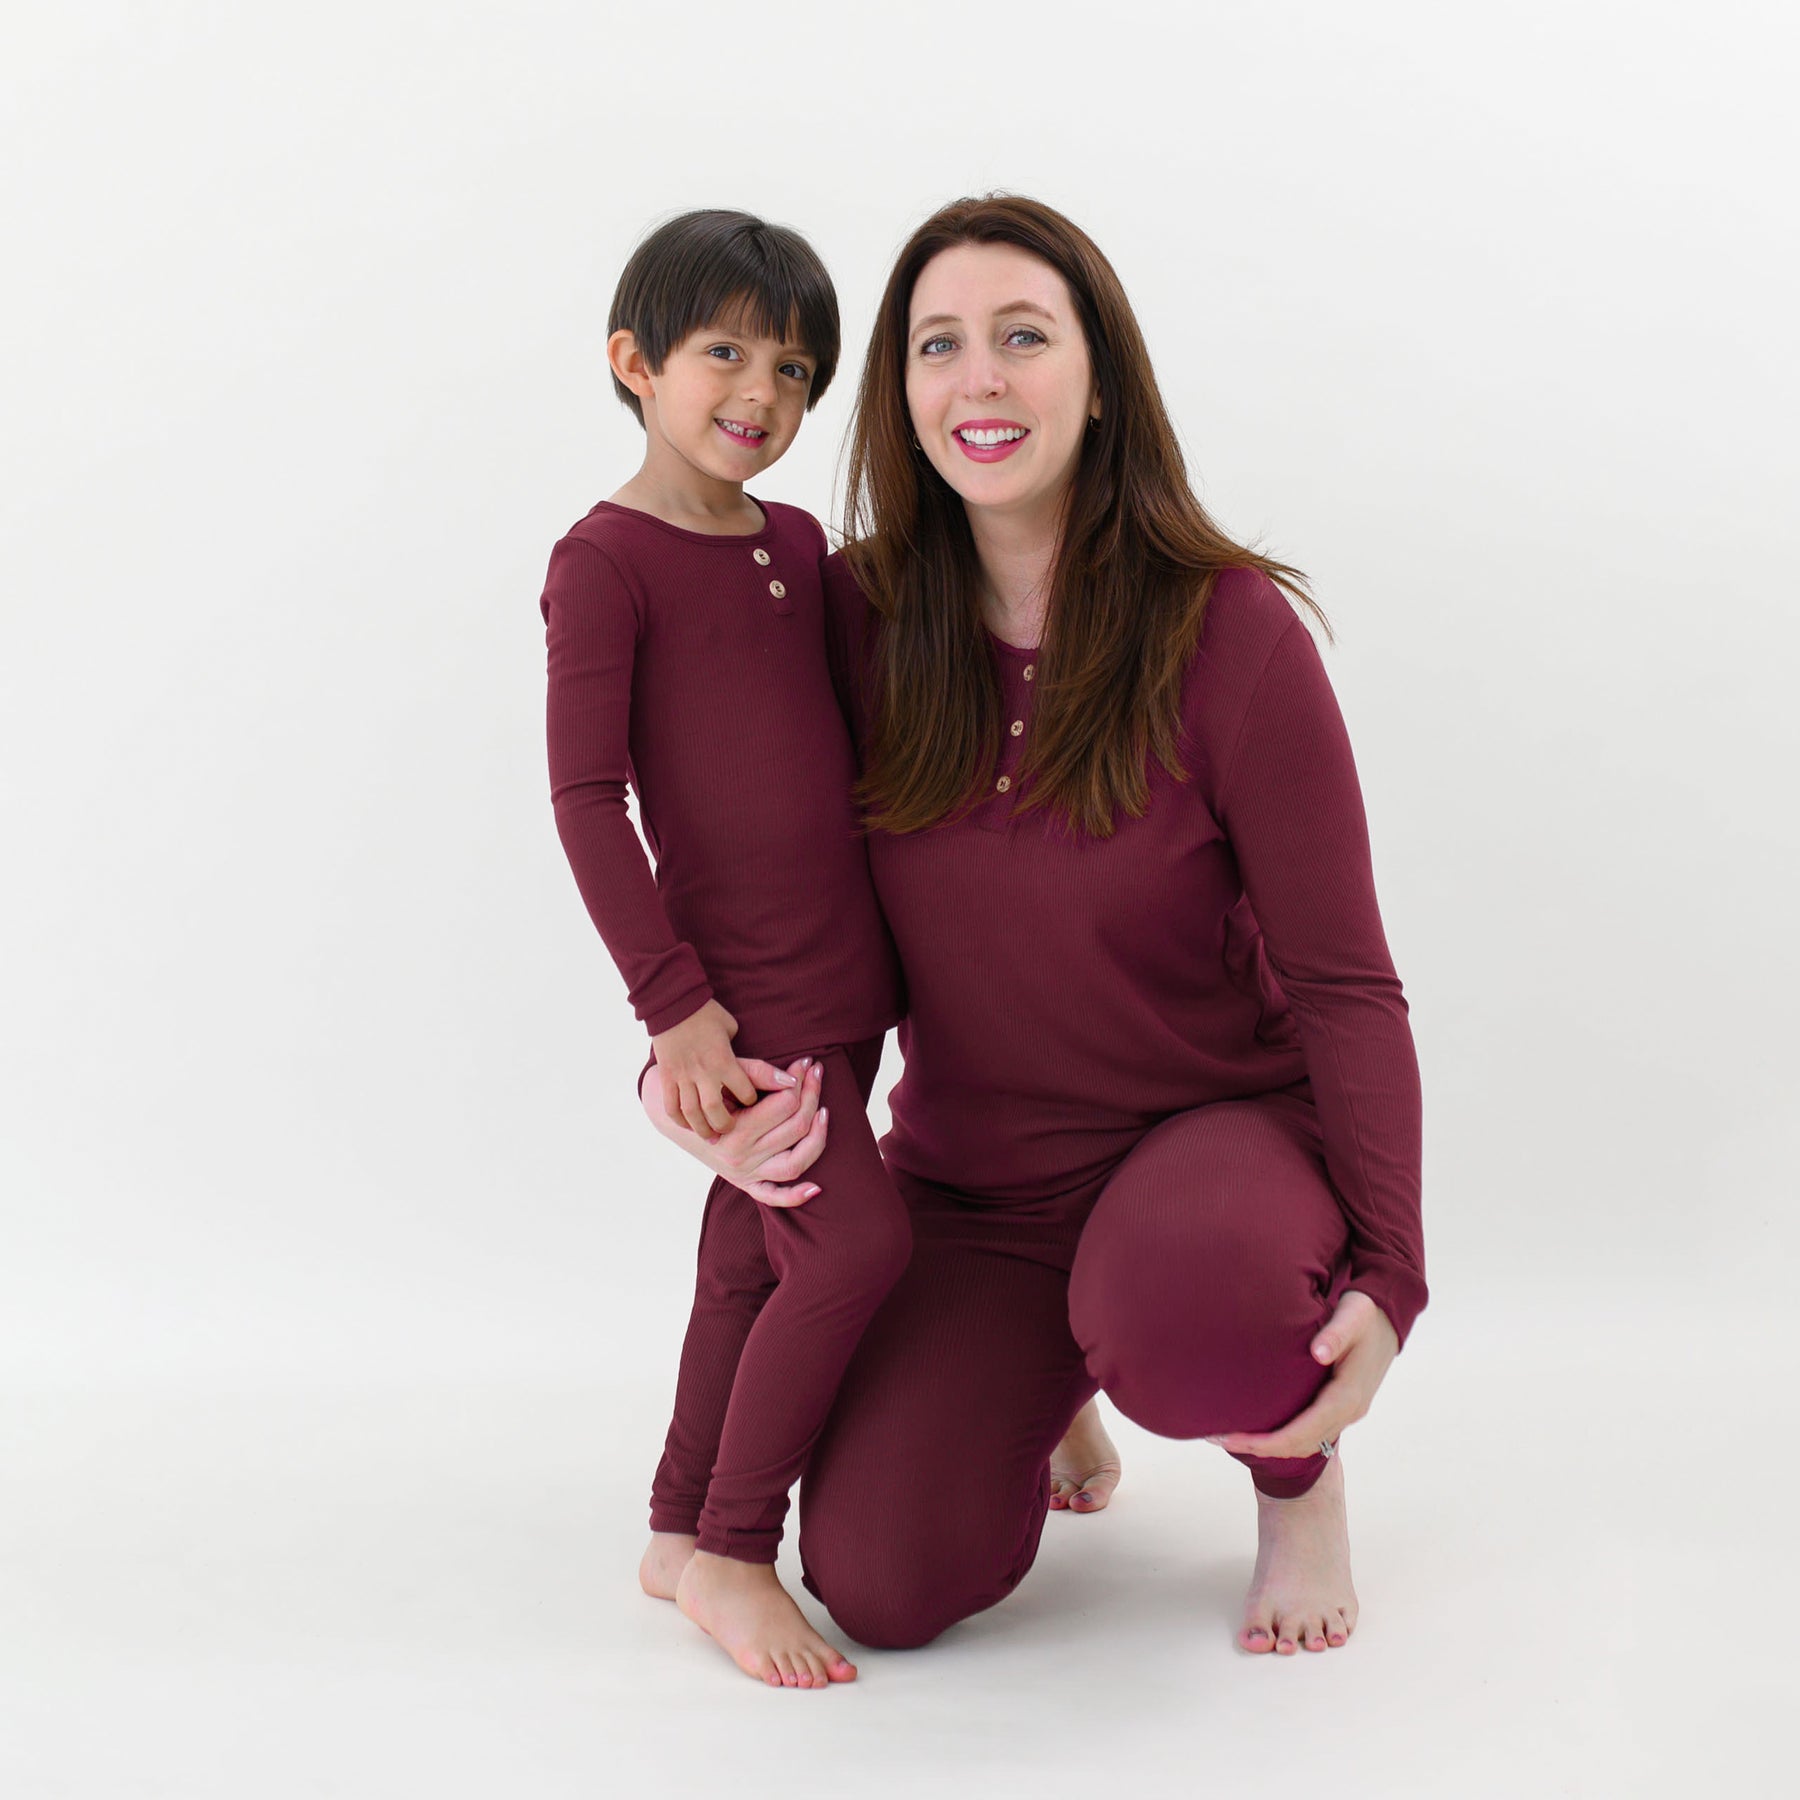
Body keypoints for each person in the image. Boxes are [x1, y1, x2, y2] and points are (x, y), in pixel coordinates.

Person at [639, 193, 1428, 1659]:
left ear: (1100, 377)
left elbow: (1344, 984)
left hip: (1210, 1146)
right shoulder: (850, 614)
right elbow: (728, 846)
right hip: (977, 1188)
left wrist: (1393, 1271)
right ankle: (1055, 1378)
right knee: (879, 1579)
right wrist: (674, 1062)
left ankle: (1297, 1482)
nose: (978, 379)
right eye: (938, 345)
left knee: (1195, 1304)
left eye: (1023, 336)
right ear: (902, 395)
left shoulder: (1228, 632)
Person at [538, 210, 913, 1689]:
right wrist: (674, 1011)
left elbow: (848, 734)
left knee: (752, 1265)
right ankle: (738, 1553)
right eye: (724, 353)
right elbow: (584, 799)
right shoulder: (605, 562)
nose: (761, 391)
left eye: (796, 366)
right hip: (746, 1004)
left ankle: (675, 1523)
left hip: (849, 977)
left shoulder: (799, 546)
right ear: (636, 363)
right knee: (858, 1242)